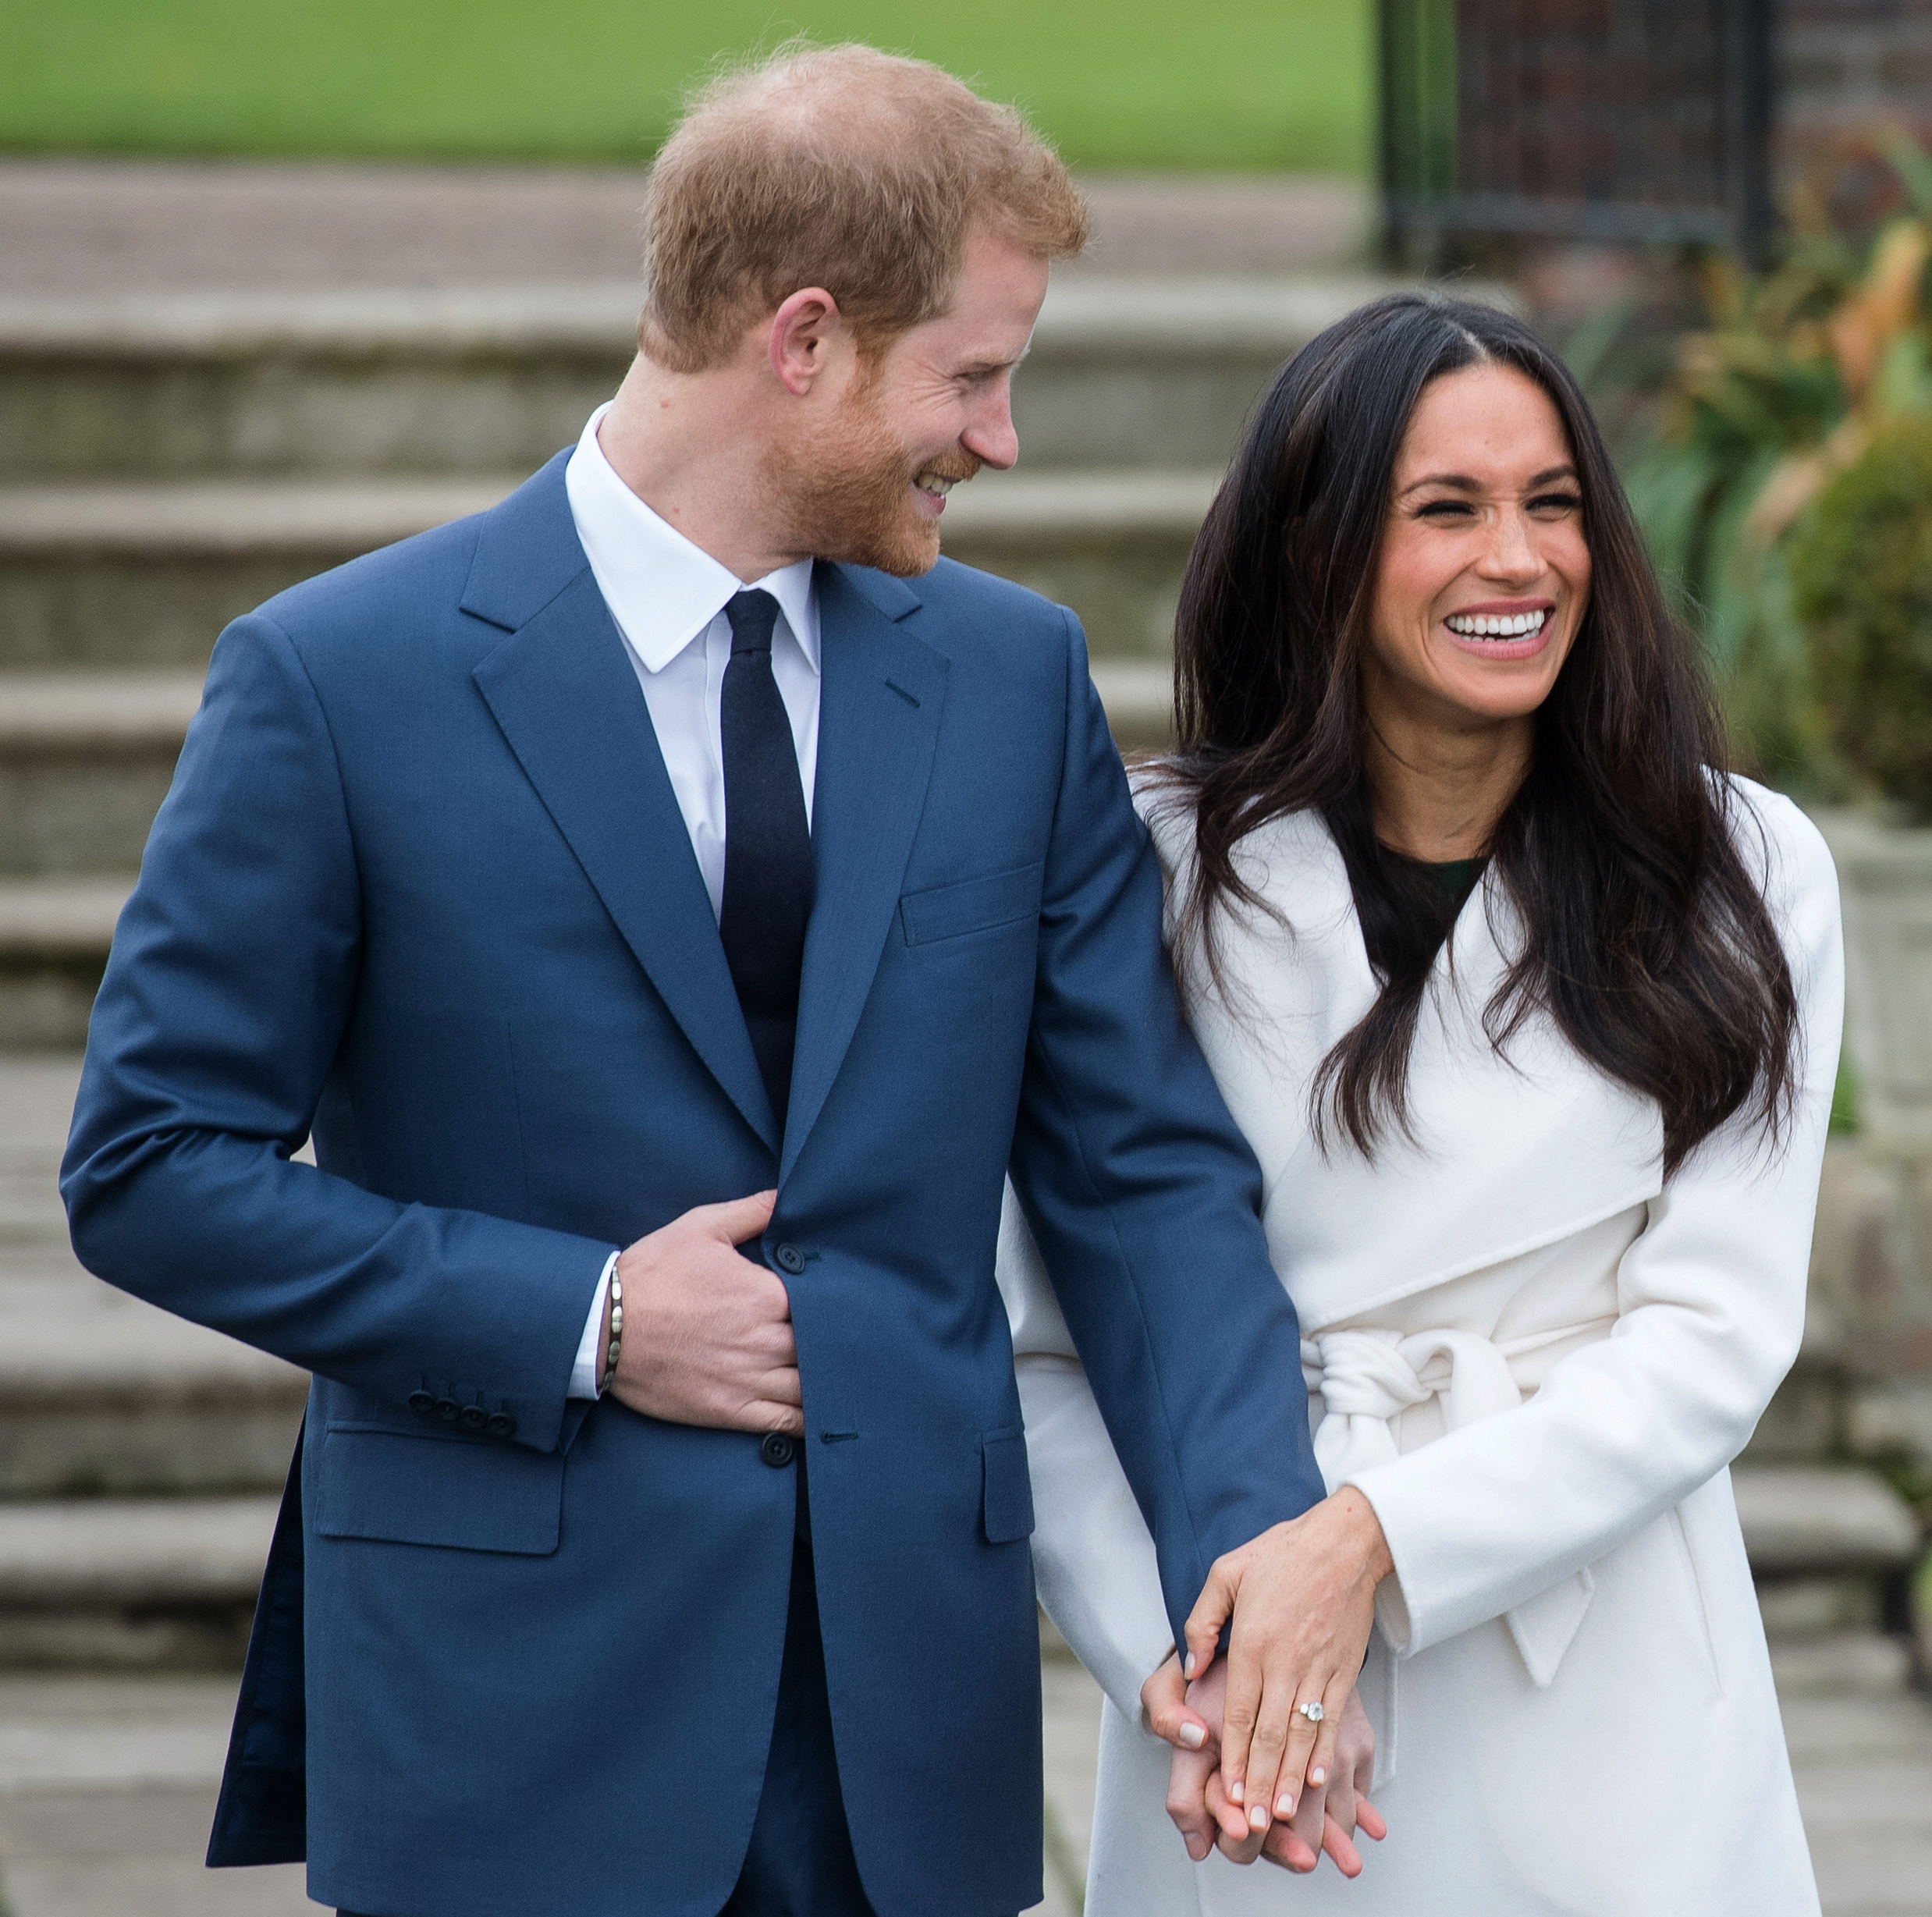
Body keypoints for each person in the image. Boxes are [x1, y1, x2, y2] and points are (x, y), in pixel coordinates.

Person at [59, 44, 1362, 1917]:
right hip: (510, 1714)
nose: (999, 439)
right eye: (974, 376)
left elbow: (1140, 1172)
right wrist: (584, 1313)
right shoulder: (339, 678)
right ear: (804, 338)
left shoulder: (1011, 681)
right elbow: (150, 1165)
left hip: (904, 1740)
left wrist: (1242, 1560)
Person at [1000, 291, 1842, 1913]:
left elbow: (1710, 1338)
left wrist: (1366, 1539)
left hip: (1597, 1674)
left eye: (1551, 504)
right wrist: (1191, 1661)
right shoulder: (1145, 868)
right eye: (1442, 509)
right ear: (1313, 551)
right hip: (1247, 1717)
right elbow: (1046, 1344)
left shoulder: (1737, 864)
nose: (1516, 560)